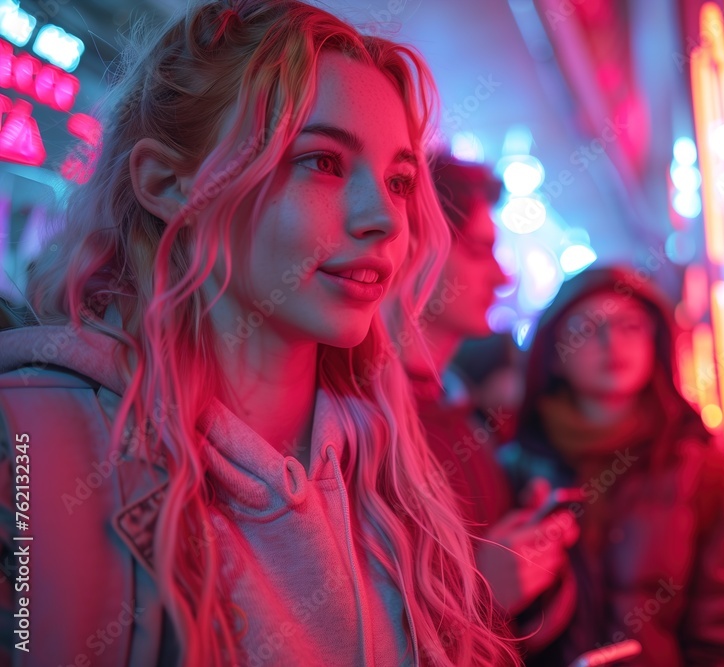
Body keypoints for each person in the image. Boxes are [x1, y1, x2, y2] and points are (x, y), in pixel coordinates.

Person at [0, 2, 517, 665]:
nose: (385, 219)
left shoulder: (395, 472)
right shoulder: (32, 443)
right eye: (323, 161)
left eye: (398, 180)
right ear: (167, 184)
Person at [500, 266, 724, 666]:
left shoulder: (699, 470)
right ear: (554, 355)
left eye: (630, 326)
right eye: (587, 328)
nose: (611, 342)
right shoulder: (515, 467)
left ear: (656, 341)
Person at [404, 152, 578, 657]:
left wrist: (527, 542)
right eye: (480, 250)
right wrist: (482, 594)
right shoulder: (368, 426)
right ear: (417, 250)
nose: (502, 275)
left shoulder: (459, 414)